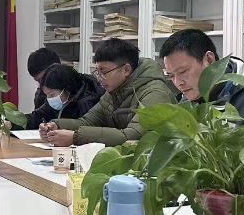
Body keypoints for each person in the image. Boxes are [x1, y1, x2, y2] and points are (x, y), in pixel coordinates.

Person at [41, 38, 175, 146]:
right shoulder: (113, 91)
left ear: (126, 70)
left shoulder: (155, 93)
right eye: (97, 72)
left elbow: (132, 136)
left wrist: (76, 137)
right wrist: (56, 125)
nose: (99, 78)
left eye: (104, 72)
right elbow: (87, 121)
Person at [159, 29, 244, 116]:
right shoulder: (188, 101)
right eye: (171, 76)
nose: (178, 83)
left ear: (209, 60)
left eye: (183, 71)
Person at [25, 64, 103, 129]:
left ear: (67, 89)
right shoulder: (59, 98)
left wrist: (56, 126)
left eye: (52, 95)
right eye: (47, 95)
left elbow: (84, 129)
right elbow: (39, 116)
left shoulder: (88, 102)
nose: (49, 99)